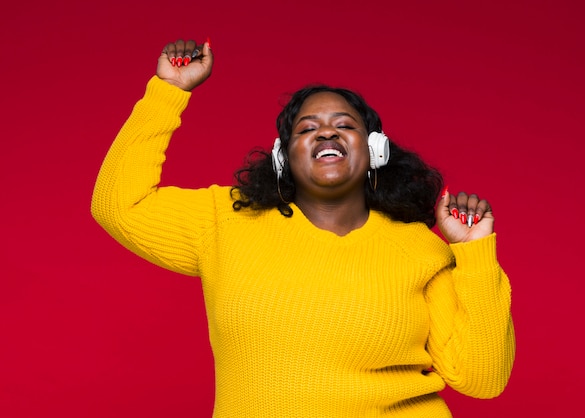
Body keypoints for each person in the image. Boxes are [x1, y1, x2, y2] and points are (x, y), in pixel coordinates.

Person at [91, 37, 515, 417]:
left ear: (376, 151)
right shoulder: (224, 221)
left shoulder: (419, 249)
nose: (327, 132)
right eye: (307, 128)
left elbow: (481, 379)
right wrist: (168, 93)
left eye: (345, 126)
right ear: (283, 157)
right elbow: (118, 204)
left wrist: (475, 254)